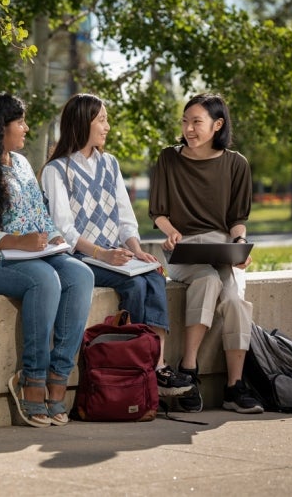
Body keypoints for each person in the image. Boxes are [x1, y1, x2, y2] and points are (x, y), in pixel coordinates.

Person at [0, 92, 95, 427]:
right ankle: (32, 379)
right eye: (20, 122)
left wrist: (52, 235)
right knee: (44, 279)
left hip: (28, 256)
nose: (26, 128)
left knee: (81, 275)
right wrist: (14, 241)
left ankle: (59, 379)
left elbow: (39, 215)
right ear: (0, 127)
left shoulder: (23, 164)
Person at [40, 93, 193, 399]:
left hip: (114, 254)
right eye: (102, 119)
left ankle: (154, 363)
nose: (107, 126)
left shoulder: (109, 164)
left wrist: (136, 249)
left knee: (153, 274)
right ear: (83, 123)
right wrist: (102, 253)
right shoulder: (56, 171)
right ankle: (146, 368)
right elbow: (64, 230)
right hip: (82, 259)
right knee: (135, 286)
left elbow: (125, 218)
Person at [149, 92, 264, 414]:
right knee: (208, 280)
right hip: (184, 250)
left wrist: (239, 245)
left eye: (196, 122)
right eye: (185, 121)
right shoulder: (168, 159)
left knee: (236, 301)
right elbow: (158, 211)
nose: (189, 128)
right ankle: (189, 370)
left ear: (217, 125)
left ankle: (234, 387)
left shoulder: (236, 164)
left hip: (221, 248)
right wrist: (170, 231)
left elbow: (237, 220)